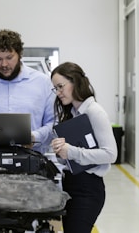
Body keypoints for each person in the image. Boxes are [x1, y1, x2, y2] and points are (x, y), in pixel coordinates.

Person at [50, 62, 117, 233]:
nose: (58, 93)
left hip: (87, 190)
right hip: (71, 185)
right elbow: (70, 157)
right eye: (55, 88)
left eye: (60, 86)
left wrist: (71, 151)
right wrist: (60, 151)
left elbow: (110, 154)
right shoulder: (72, 113)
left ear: (75, 82)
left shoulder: (95, 112)